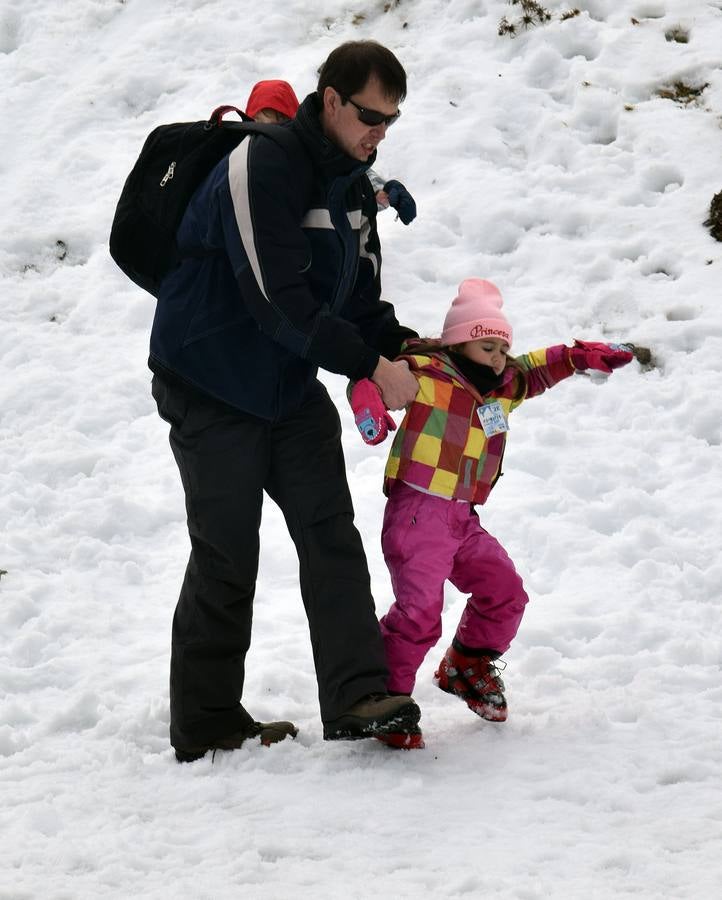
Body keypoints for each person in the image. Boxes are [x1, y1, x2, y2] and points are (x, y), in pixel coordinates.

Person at [149, 41, 422, 762]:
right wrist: (366, 363)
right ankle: (206, 722)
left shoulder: (357, 190)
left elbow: (360, 301)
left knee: (330, 530)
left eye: (390, 121)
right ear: (330, 100)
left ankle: (360, 695)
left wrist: (403, 349)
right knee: (227, 550)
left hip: (287, 385)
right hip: (208, 378)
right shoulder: (260, 164)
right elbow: (276, 300)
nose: (379, 133)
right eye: (370, 116)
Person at [350, 278, 634, 748]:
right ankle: (387, 701)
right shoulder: (424, 371)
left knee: (505, 592)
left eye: (503, 348)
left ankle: (467, 665)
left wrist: (581, 355)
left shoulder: (503, 387)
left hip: (462, 520)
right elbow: (373, 383)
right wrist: (370, 408)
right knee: (420, 614)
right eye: (488, 346)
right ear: (459, 341)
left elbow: (540, 367)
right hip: (417, 515)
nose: (499, 357)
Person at [245, 78, 417, 224]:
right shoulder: (237, 161)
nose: (268, 132)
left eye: (279, 124)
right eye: (259, 123)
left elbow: (348, 178)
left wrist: (381, 191)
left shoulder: (308, 156)